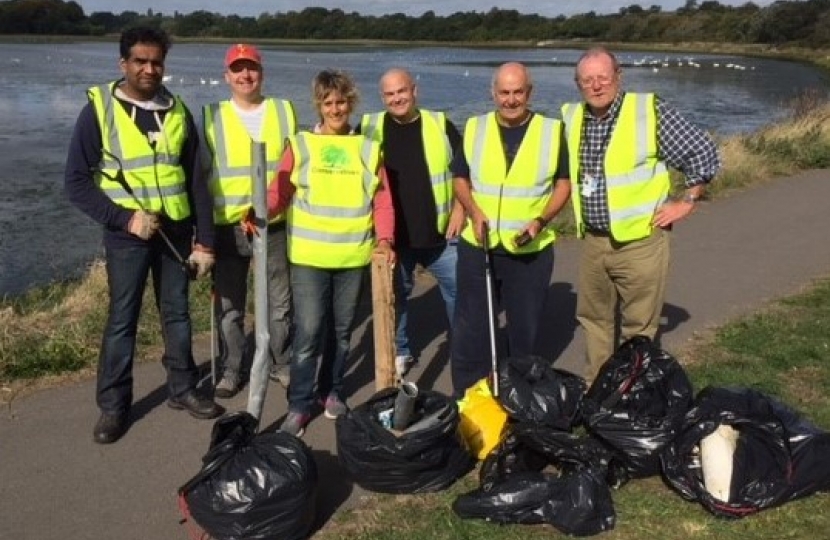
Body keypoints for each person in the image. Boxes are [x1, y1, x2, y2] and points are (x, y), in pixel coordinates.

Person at [64, 26, 222, 445]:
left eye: (156, 62)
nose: (149, 69)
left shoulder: (178, 110)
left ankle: (183, 389)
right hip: (128, 238)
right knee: (122, 321)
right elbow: (76, 183)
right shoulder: (98, 110)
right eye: (140, 61)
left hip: (175, 233)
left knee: (178, 315)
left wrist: (204, 241)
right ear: (124, 64)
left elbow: (197, 182)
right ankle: (114, 407)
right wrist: (123, 219)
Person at [560, 46, 721, 384]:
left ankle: (633, 393)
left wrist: (687, 200)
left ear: (619, 77)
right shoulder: (571, 117)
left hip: (641, 242)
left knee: (638, 327)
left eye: (603, 77)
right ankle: (597, 391)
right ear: (578, 84)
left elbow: (702, 152)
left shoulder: (648, 111)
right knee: (594, 320)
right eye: (588, 80)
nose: (597, 85)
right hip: (593, 241)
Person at [267, 69, 395, 437]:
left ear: (351, 103)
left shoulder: (368, 148)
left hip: (352, 257)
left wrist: (383, 239)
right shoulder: (301, 144)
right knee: (307, 333)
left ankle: (332, 391)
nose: (335, 108)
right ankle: (299, 404)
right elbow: (280, 192)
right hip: (309, 258)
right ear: (319, 106)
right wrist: (261, 210)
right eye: (328, 102)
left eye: (341, 101)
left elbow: (382, 200)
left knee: (340, 334)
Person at [450, 62, 571, 397]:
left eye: (518, 92)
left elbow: (564, 184)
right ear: (493, 93)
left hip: (528, 250)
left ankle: (519, 395)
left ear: (529, 93)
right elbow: (459, 176)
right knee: (472, 330)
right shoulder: (475, 127)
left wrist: (541, 220)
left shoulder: (551, 131)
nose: (511, 99)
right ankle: (470, 397)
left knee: (524, 332)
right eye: (504, 92)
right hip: (480, 245)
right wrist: (473, 210)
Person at [201, 44, 297, 398]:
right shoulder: (210, 115)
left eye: (251, 68)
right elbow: (201, 174)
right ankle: (231, 367)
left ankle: (280, 362)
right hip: (227, 225)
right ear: (227, 76)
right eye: (237, 69)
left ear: (261, 72)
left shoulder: (284, 110)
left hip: (272, 223)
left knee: (279, 300)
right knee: (229, 305)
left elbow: (296, 164)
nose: (245, 75)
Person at [360, 68, 464, 379]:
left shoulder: (439, 123)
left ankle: (462, 348)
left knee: (459, 295)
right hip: (393, 238)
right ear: (382, 98)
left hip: (442, 234)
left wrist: (460, 209)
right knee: (396, 298)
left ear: (414, 90)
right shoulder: (368, 127)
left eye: (401, 91)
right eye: (389, 94)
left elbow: (462, 170)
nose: (397, 98)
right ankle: (401, 352)